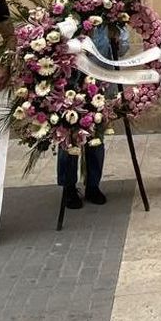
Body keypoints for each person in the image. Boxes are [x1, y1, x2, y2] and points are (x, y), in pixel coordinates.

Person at [58, 21, 127, 208]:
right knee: (69, 139)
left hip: (100, 88)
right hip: (72, 88)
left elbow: (123, 48)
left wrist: (118, 41)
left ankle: (93, 185)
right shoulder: (71, 20)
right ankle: (69, 187)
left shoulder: (111, 21)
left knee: (96, 139)